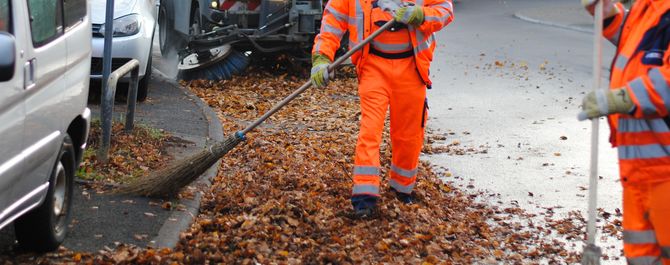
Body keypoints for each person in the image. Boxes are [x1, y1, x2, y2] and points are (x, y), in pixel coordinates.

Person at [310, 0, 453, 217]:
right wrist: (321, 58)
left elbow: (445, 11)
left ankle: (402, 187)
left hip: (412, 68)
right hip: (373, 67)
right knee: (370, 131)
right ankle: (364, 196)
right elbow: (332, 22)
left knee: (409, 133)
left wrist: (420, 15)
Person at [580, 0, 670, 263]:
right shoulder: (649, 8)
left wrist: (623, 98)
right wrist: (608, 15)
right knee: (643, 257)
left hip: (664, 172)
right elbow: (640, 49)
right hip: (640, 174)